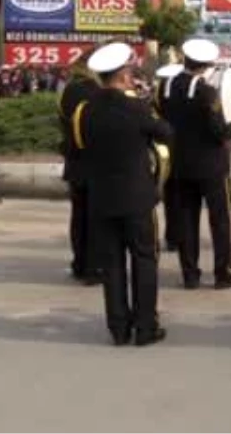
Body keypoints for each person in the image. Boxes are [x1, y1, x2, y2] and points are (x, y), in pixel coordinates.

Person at [72, 42, 172, 346]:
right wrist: (146, 106)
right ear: (124, 75)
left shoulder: (84, 111)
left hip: (102, 197)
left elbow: (79, 146)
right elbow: (166, 134)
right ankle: (145, 326)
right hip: (137, 197)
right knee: (144, 259)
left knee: (112, 263)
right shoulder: (137, 107)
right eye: (129, 71)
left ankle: (118, 328)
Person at [161, 38, 231, 290]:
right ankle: (224, 273)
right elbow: (218, 131)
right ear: (207, 65)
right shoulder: (206, 91)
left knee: (186, 220)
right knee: (219, 220)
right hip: (211, 166)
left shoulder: (166, 86)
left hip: (180, 164)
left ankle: (190, 274)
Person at [59, 52, 101, 285]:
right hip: (97, 162)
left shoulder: (68, 90)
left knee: (79, 216)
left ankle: (80, 263)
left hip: (75, 162)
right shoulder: (99, 92)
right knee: (97, 218)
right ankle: (95, 267)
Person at [152, 63, 184, 252]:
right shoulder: (184, 92)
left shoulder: (159, 94)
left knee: (171, 196)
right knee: (181, 198)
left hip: (167, 149)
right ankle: (179, 237)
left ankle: (172, 237)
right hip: (183, 150)